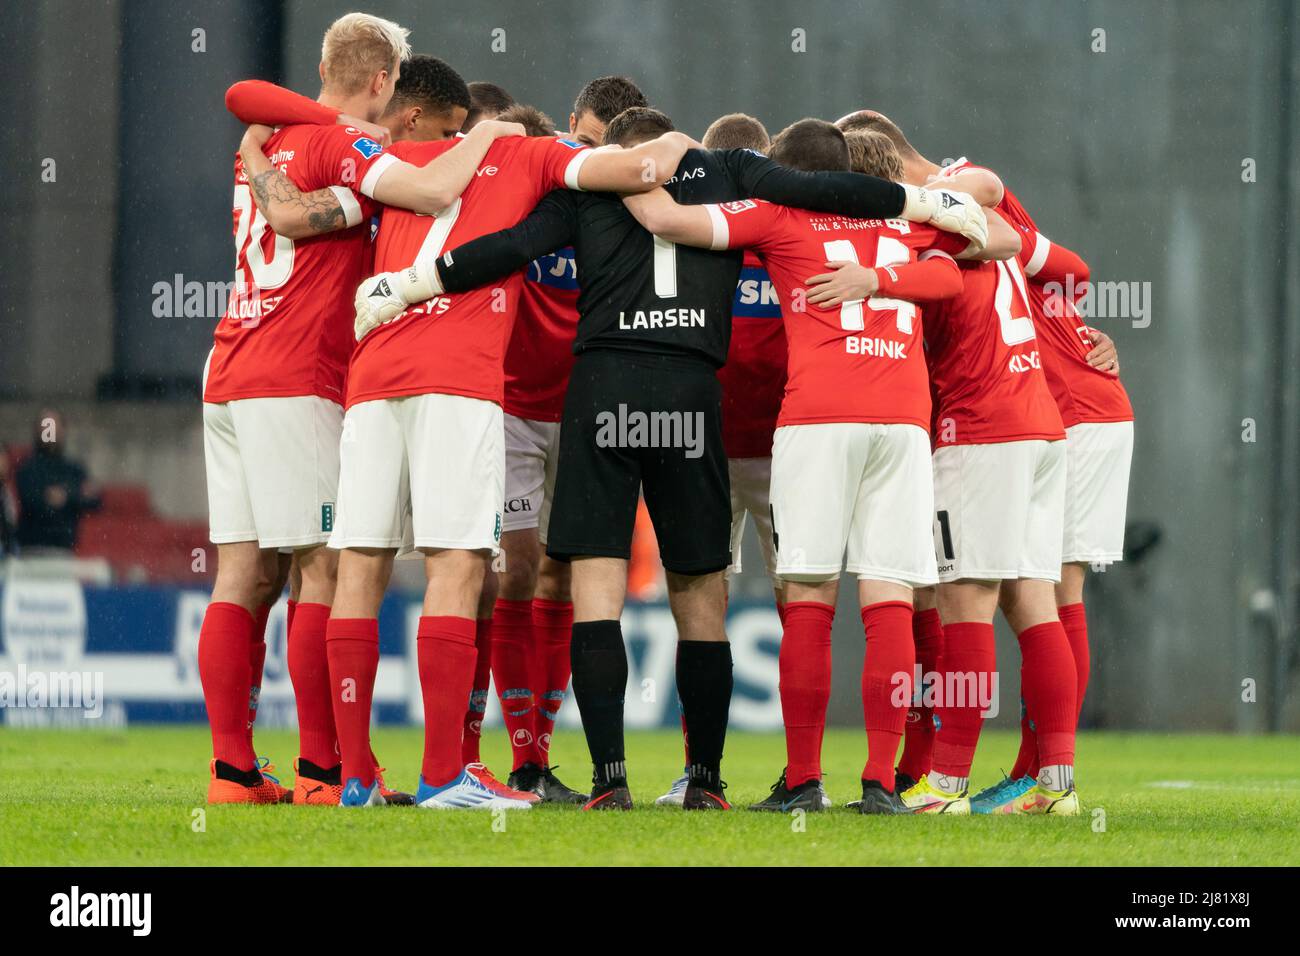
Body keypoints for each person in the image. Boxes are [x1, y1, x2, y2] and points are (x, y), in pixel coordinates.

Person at [356, 106, 991, 810]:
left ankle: (609, 782)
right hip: (691, 396)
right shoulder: (730, 175)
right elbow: (825, 195)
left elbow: (509, 246)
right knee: (700, 597)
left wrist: (412, 284)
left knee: (596, 589)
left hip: (604, 393)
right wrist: (923, 201)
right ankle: (710, 781)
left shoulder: (588, 188)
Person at [619, 118, 1018, 813]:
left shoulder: (777, 216)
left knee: (808, 598)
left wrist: (629, 162)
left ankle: (804, 779)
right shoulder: (903, 220)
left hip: (819, 419)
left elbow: (663, 218)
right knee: (888, 597)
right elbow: (984, 252)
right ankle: (879, 782)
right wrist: (888, 270)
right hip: (901, 422)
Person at [203, 11, 525, 806]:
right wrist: (490, 137)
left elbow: (249, 113)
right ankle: (322, 771)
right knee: (327, 566)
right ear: (385, 83)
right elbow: (430, 186)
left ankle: (234, 774)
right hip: (296, 373)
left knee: (242, 574)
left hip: (228, 366)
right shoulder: (345, 146)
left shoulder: (269, 139)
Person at [488, 77, 652, 805]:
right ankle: (520, 754)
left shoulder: (638, 208)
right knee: (513, 572)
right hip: (512, 406)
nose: (591, 152)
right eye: (584, 136)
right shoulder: (540, 180)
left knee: (560, 578)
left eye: (605, 144)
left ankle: (540, 755)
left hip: (587, 410)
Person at [14, 410, 100, 554]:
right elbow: (32, 500)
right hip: (31, 550)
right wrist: (73, 495)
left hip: (64, 549)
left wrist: (66, 497)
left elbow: (94, 500)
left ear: (63, 430)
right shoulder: (26, 468)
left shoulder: (74, 469)